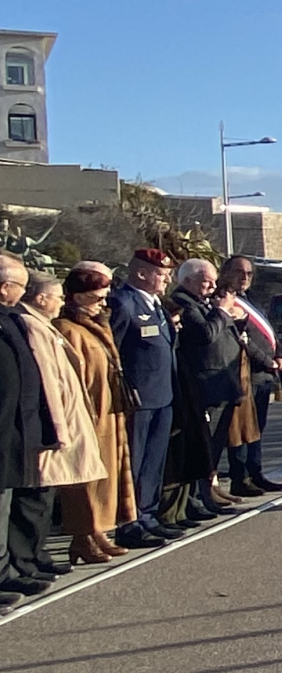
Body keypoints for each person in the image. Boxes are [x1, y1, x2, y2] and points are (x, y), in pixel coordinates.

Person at [21, 270, 107, 569]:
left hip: (72, 417)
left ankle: (48, 551)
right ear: (42, 298)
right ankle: (30, 558)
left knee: (58, 492)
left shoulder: (45, 326)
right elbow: (47, 380)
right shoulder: (35, 327)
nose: (61, 303)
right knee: (41, 498)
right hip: (57, 424)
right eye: (57, 297)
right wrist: (57, 428)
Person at [54, 264, 137, 561]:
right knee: (84, 479)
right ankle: (82, 535)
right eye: (97, 298)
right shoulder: (68, 330)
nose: (104, 303)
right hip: (87, 415)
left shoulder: (96, 325)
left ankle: (98, 529)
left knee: (105, 477)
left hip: (108, 411)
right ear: (77, 297)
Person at [0, 254, 62, 598]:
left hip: (17, 427)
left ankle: (8, 569)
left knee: (9, 503)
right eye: (20, 286)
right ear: (5, 286)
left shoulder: (11, 320)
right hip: (6, 426)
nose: (23, 294)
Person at [108, 249, 179, 548]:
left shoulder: (156, 305)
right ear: (141, 273)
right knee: (133, 464)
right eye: (161, 274)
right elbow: (113, 354)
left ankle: (148, 515)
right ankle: (130, 521)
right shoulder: (123, 303)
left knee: (153, 463)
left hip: (162, 395)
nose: (166, 280)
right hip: (138, 398)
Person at [169, 258, 240, 517]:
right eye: (205, 280)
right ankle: (199, 497)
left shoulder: (203, 302)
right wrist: (221, 312)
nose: (212, 285)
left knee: (213, 444)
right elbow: (205, 335)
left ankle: (209, 488)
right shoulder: (184, 303)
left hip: (221, 382)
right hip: (202, 383)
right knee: (202, 445)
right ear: (187, 280)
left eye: (213, 279)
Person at [221, 256, 282, 493]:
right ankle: (241, 478)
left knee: (257, 427)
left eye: (249, 274)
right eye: (239, 272)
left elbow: (269, 333)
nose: (244, 278)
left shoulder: (251, 300)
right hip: (244, 373)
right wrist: (267, 361)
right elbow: (241, 340)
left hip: (264, 375)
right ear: (226, 272)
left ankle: (256, 471)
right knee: (241, 429)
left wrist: (281, 355)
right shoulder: (224, 300)